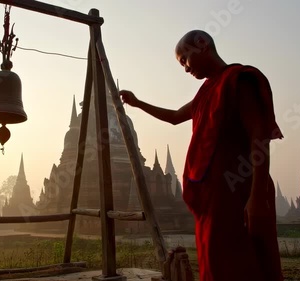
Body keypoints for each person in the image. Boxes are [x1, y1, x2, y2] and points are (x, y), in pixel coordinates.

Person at [120, 30, 284, 281]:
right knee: (215, 263)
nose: (185, 68)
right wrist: (138, 103)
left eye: (184, 58)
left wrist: (258, 195)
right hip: (213, 198)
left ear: (202, 44)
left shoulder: (239, 79)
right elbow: (175, 117)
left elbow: (259, 139)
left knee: (247, 265)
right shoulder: (205, 92)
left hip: (241, 190)